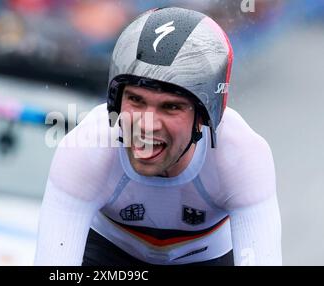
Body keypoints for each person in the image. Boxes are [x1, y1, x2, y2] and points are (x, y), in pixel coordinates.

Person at [34, 7, 282, 266]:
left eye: (170, 106)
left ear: (203, 116)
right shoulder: (86, 147)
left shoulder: (242, 154)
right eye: (136, 100)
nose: (147, 125)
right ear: (116, 102)